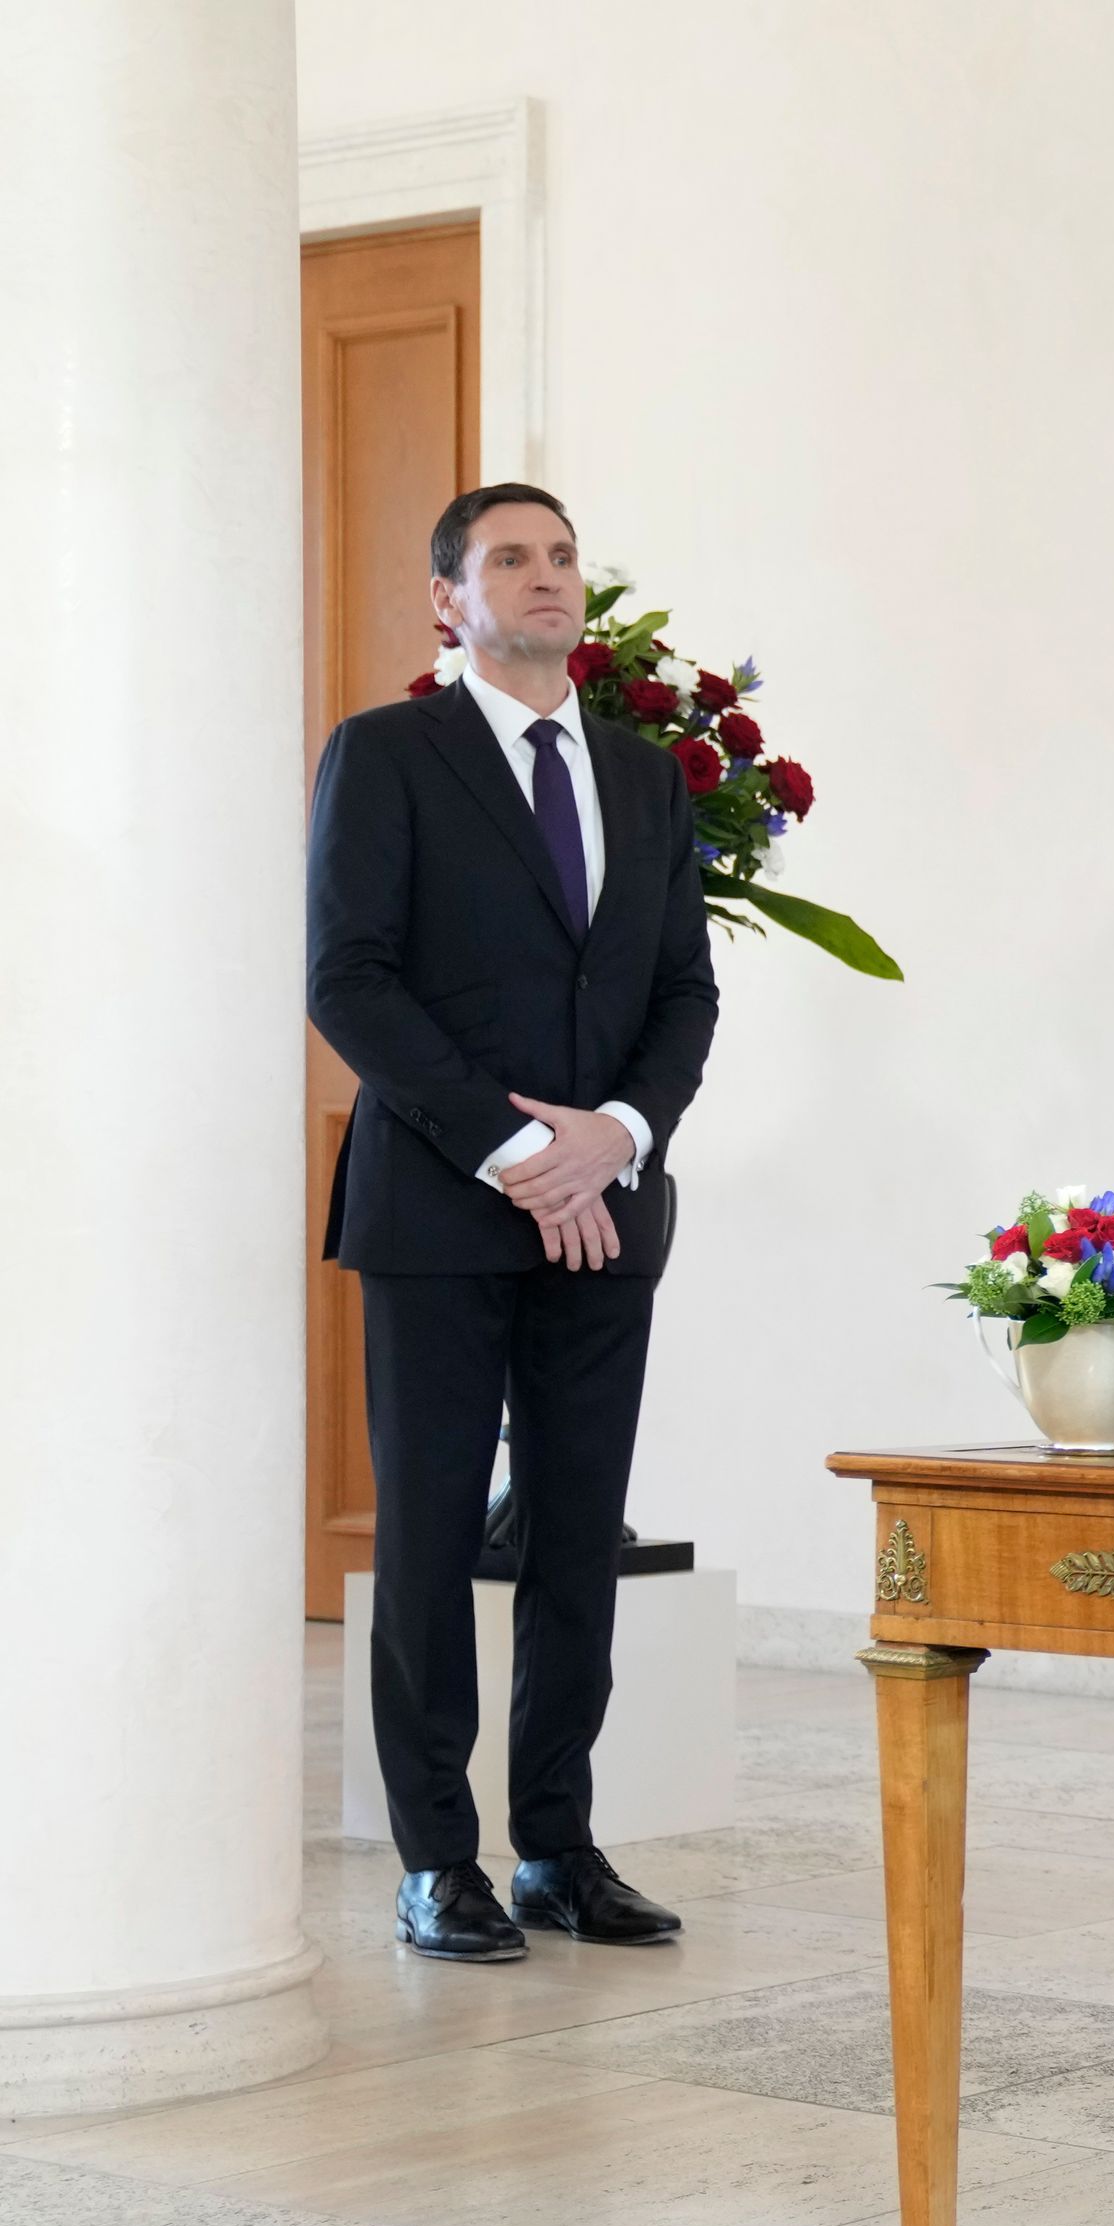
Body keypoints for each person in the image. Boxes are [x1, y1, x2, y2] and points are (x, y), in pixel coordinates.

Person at [308, 483, 719, 1963]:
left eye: (561, 558)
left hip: (607, 1208)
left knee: (571, 1542)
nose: (546, 580)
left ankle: (555, 1842)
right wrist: (510, 1147)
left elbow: (685, 989)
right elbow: (349, 980)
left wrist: (615, 1136)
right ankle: (439, 1862)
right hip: (442, 1208)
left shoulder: (648, 777)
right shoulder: (387, 755)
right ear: (448, 601)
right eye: (510, 560)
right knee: (428, 1542)